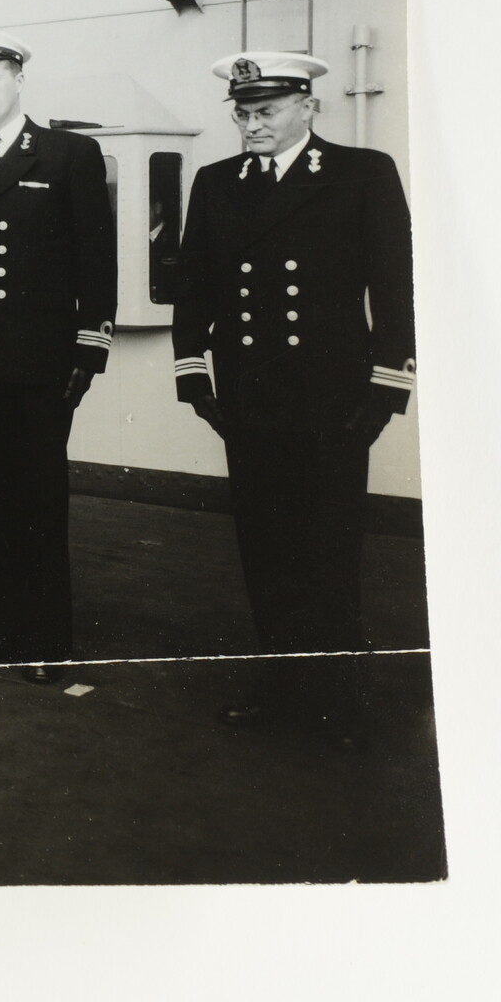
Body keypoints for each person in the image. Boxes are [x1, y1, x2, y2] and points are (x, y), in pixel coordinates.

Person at [172, 51, 416, 751]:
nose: (252, 125)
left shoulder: (360, 174)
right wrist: (195, 376)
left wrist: (386, 389)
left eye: (267, 111)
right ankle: (282, 683)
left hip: (331, 401)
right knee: (265, 549)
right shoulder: (218, 183)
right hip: (249, 400)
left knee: (329, 549)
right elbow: (195, 286)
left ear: (308, 107)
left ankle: (338, 695)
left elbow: (394, 287)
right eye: (243, 114)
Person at [0, 29, 116, 683]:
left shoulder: (67, 154)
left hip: (38, 361)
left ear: (18, 81)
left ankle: (45, 637)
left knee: (35, 500)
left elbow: (97, 256)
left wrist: (90, 347)